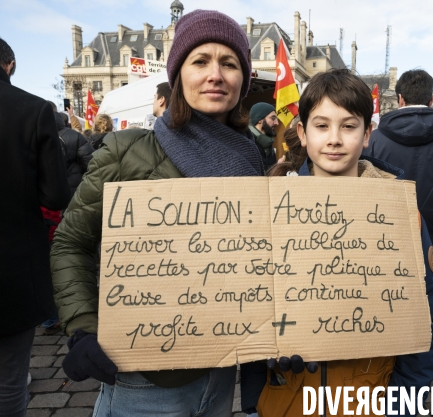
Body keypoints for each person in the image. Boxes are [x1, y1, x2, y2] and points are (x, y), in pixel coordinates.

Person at [50, 10, 264, 416]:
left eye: (229, 63)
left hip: (221, 372)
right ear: (179, 74)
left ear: (243, 79)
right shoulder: (125, 150)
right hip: (144, 380)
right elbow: (70, 242)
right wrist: (82, 328)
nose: (215, 74)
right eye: (200, 61)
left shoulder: (252, 159)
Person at [241, 69, 433, 417]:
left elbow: (432, 312)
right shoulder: (268, 208)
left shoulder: (399, 212)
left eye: (348, 126)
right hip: (287, 398)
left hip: (372, 397)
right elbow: (249, 307)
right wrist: (253, 397)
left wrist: (403, 401)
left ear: (367, 134)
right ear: (302, 134)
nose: (334, 139)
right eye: (322, 126)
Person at [0, 32, 70, 416]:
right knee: (9, 376)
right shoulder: (31, 109)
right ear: (9, 66)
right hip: (11, 268)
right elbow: (56, 196)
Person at [363, 69, 433, 355]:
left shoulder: (376, 139)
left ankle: (390, 339)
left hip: (384, 235)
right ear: (432, 100)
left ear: (399, 99)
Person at [48, 101, 94, 196]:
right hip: (74, 190)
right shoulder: (75, 136)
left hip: (47, 193)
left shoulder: (31, 136)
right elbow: (90, 165)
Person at [249, 102, 279, 171]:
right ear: (260, 120)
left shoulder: (269, 146)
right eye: (273, 118)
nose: (277, 123)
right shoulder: (246, 143)